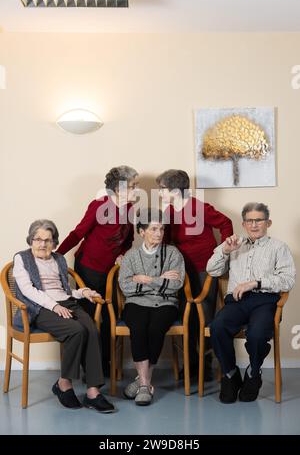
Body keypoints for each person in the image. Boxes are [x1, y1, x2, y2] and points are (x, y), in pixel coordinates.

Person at [13, 219, 115, 412]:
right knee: (76, 330)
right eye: (38, 239)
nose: (43, 244)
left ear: (55, 242)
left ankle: (93, 392)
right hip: (39, 308)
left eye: (48, 240)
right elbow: (28, 290)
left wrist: (83, 292)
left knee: (91, 329)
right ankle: (64, 383)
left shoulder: (58, 259)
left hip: (66, 303)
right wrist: (53, 306)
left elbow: (65, 290)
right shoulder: (22, 258)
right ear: (30, 240)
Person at [207, 202, 296, 403]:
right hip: (236, 302)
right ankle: (230, 374)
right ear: (244, 223)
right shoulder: (233, 243)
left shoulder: (278, 247)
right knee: (218, 327)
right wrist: (225, 251)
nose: (254, 225)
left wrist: (255, 283)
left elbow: (288, 279)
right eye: (249, 220)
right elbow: (212, 270)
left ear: (268, 222)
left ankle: (253, 373)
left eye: (259, 220)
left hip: (265, 302)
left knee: (257, 334)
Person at [57, 165, 138, 376]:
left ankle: (104, 365)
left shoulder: (129, 209)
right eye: (133, 186)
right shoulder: (98, 206)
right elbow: (78, 233)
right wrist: (57, 255)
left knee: (110, 317)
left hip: (111, 271)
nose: (136, 190)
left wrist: (123, 253)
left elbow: (128, 240)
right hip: (89, 268)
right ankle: (91, 369)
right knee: (92, 319)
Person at [156, 169, 233, 380]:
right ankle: (190, 364)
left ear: (175, 189)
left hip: (204, 269)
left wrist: (222, 252)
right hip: (181, 270)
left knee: (204, 317)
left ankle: (205, 365)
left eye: (162, 189)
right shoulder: (169, 212)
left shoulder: (199, 207)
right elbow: (165, 240)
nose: (159, 193)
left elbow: (226, 224)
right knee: (186, 316)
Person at [118, 208, 185, 406]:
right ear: (141, 232)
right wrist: (160, 280)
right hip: (136, 303)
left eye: (161, 229)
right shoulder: (131, 256)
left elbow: (176, 284)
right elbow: (126, 286)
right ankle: (146, 384)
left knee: (156, 328)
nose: (159, 233)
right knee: (138, 328)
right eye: (154, 229)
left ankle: (142, 382)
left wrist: (146, 279)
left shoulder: (173, 253)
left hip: (166, 303)